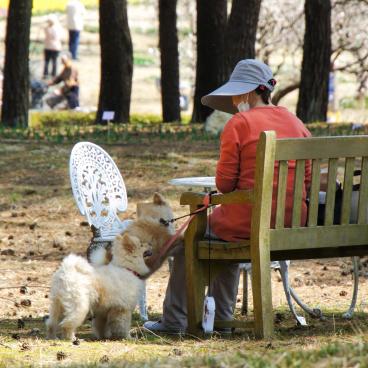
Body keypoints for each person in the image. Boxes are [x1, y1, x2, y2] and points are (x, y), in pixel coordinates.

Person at [143, 59, 312, 333]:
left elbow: (223, 184)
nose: (234, 101)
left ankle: (175, 321)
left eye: (236, 93)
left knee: (195, 238)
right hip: (293, 221)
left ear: (249, 92)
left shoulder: (240, 123)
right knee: (220, 232)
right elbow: (307, 180)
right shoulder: (295, 122)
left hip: (249, 222)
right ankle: (220, 319)